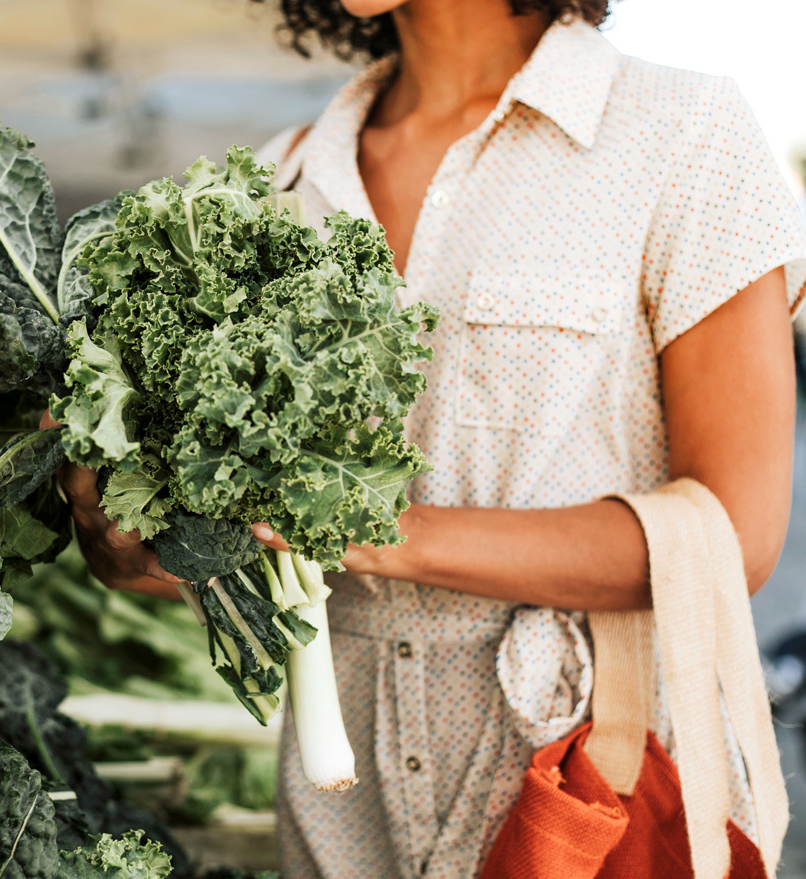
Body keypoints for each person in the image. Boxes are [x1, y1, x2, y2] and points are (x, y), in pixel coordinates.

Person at [52, 1, 806, 876]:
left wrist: (374, 533)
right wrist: (131, 539)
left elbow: (730, 536)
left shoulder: (682, 135)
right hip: (342, 824)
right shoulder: (276, 183)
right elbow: (215, 557)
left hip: (590, 798)